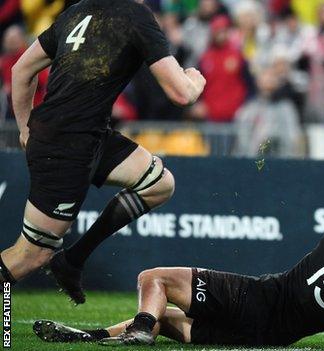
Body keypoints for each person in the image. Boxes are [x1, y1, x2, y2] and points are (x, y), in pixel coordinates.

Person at [0, 0, 206, 305]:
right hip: (66, 144)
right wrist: (195, 79)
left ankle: (73, 260)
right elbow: (182, 93)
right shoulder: (136, 16)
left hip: (85, 134)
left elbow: (21, 71)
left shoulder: (76, 11)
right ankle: (63, 261)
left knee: (159, 184)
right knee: (31, 254)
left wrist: (25, 129)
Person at [33, 216, 324, 347]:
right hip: (266, 336)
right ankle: (90, 337)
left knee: (152, 279)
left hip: (252, 297)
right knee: (167, 318)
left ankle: (139, 331)